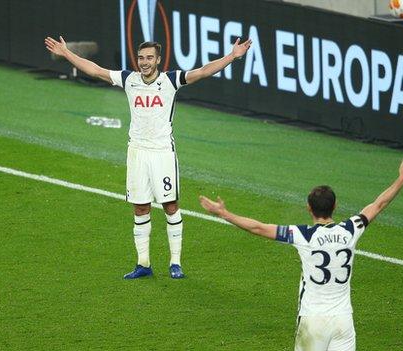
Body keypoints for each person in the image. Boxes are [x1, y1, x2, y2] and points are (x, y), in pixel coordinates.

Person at [44, 36, 252, 279]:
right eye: (141, 58)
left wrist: (232, 56)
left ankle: (176, 263)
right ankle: (143, 264)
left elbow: (204, 71)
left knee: (170, 206)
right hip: (137, 153)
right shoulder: (129, 79)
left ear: (158, 60)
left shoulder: (171, 80)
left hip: (163, 153)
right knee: (140, 207)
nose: (144, 62)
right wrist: (67, 53)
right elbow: (97, 71)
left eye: (149, 58)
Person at [200, 155, 403, 351]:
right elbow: (379, 204)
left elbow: (258, 228)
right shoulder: (351, 229)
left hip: (313, 321)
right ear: (335, 206)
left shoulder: (303, 235)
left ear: (308, 208)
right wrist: (402, 178)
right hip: (343, 321)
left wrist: (224, 213)